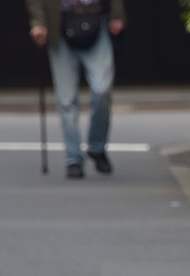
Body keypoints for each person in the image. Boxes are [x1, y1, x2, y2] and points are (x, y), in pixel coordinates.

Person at [26, 0, 126, 179]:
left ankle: (97, 147)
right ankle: (73, 158)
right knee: (66, 99)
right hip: (60, 22)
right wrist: (38, 22)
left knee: (102, 89)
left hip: (96, 18)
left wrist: (117, 14)